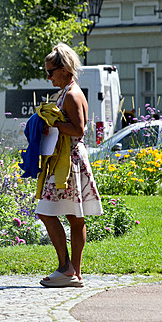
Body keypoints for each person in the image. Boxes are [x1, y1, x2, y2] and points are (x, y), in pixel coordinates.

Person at [36, 43, 103, 288]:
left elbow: (78, 129)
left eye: (50, 72)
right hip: (72, 159)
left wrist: (52, 124)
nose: (48, 77)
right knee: (75, 217)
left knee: (46, 211)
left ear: (64, 70)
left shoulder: (72, 94)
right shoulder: (68, 90)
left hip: (69, 160)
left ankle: (66, 268)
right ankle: (74, 272)